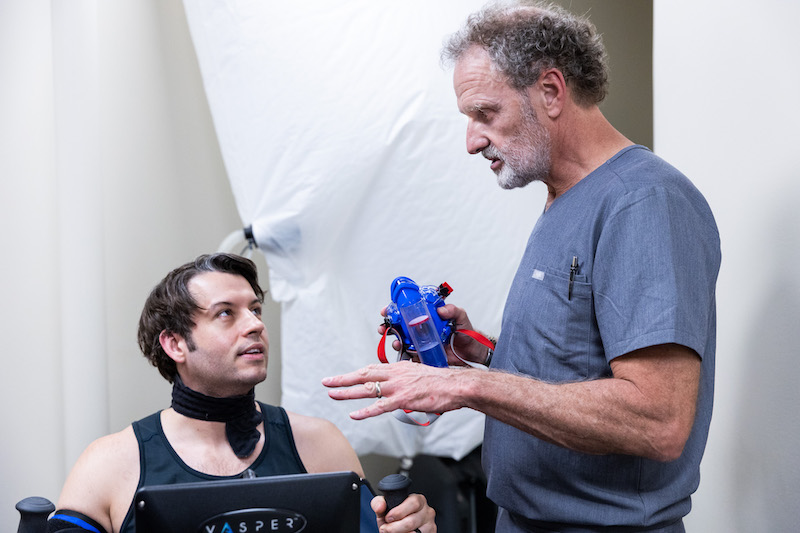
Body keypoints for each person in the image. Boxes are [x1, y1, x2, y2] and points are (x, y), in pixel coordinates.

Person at [323, 2, 721, 532]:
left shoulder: (642, 202)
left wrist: (467, 390)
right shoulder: (565, 197)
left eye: (485, 114)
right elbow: (583, 362)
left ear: (551, 91)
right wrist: (483, 358)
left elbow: (658, 420)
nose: (471, 141)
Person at [50, 253, 435, 533]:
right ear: (175, 344)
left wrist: (411, 526)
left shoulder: (318, 445)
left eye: (255, 309)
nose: (254, 324)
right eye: (225, 313)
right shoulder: (109, 463)